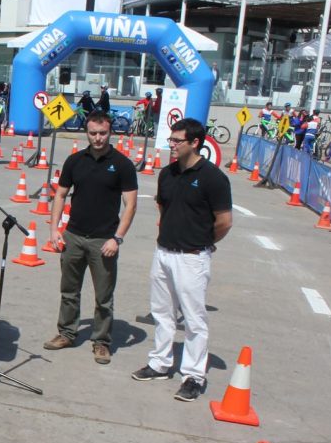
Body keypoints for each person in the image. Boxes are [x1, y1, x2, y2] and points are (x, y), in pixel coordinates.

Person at [131, 118, 233, 402]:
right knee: (162, 313)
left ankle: (193, 376)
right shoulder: (167, 173)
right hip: (163, 253)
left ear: (195, 143)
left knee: (193, 318)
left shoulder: (213, 178)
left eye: (177, 141)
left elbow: (224, 221)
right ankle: (160, 363)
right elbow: (163, 207)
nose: (172, 145)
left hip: (192, 257)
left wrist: (203, 241)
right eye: (171, 140)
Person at [43, 111, 138, 364]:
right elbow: (60, 195)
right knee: (69, 291)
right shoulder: (75, 161)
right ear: (86, 132)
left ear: (110, 132)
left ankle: (101, 342)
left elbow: (130, 205)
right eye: (93, 133)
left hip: (103, 241)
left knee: (104, 297)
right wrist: (54, 229)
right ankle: (67, 333)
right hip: (73, 236)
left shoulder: (122, 164)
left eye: (103, 133)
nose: (98, 138)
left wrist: (117, 239)